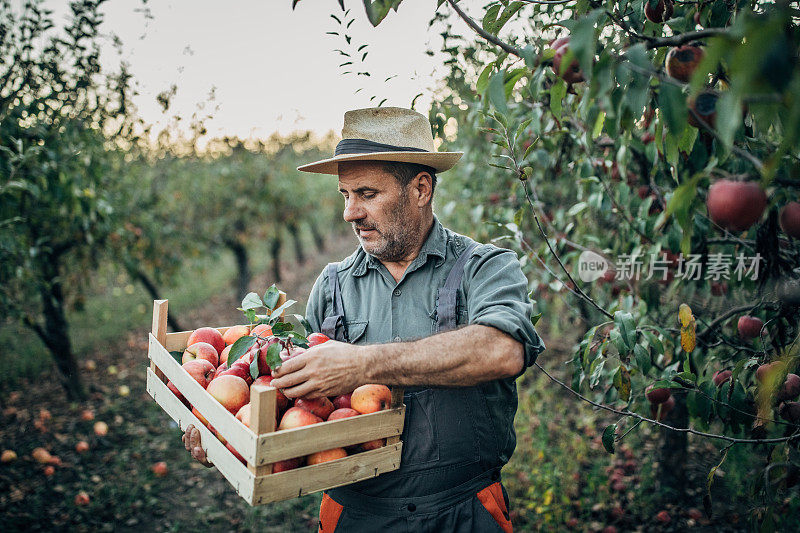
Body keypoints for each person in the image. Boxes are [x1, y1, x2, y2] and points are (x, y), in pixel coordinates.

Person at [183, 107, 545, 532]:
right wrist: (225, 432)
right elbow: (292, 405)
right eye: (345, 195)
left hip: (464, 512)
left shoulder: (484, 268)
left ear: (421, 189)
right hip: (355, 517)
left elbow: (502, 350)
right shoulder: (333, 286)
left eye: (367, 194)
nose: (349, 213)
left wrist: (362, 363)